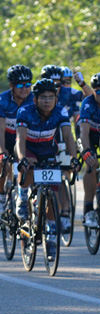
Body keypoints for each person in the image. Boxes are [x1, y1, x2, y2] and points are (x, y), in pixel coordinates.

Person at [15, 79, 79, 243]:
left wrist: (73, 158)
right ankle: (22, 197)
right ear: (35, 99)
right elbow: (20, 139)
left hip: (48, 150)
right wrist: (22, 158)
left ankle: (50, 230)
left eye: (51, 97)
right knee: (29, 163)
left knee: (53, 194)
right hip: (28, 149)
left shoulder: (61, 112)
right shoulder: (24, 111)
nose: (47, 101)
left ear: (56, 99)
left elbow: (68, 136)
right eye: (43, 97)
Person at [78, 72, 100, 227]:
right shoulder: (87, 104)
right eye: (98, 91)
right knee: (91, 164)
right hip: (91, 137)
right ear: (93, 92)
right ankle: (88, 210)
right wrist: (86, 151)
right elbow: (83, 133)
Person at [0, 65, 34, 215]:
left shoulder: (34, 99)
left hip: (25, 138)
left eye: (28, 84)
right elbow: (0, 129)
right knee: (2, 163)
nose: (24, 88)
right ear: (11, 86)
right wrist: (2, 151)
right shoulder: (3, 100)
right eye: (20, 85)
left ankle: (29, 197)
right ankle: (1, 197)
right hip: (6, 137)